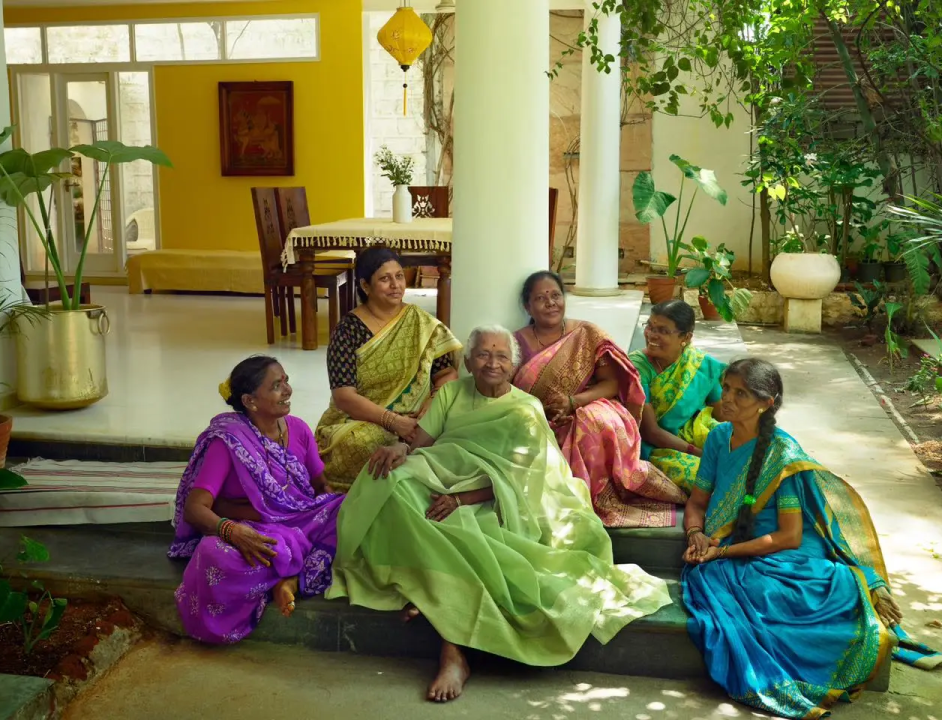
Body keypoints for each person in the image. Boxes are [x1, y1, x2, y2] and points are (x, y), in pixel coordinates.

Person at [327, 326, 672, 703]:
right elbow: (423, 442)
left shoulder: (526, 408)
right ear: (468, 361)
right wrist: (399, 449)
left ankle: (450, 646)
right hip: (445, 475)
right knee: (389, 483)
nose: (492, 363)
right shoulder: (453, 393)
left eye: (501, 356)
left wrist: (463, 499)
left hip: (496, 497)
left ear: (513, 365)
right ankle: (427, 588)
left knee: (460, 528)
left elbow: (525, 479)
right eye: (483, 354)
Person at [681, 358, 942, 718]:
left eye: (740, 393)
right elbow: (697, 503)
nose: (726, 398)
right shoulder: (717, 437)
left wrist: (722, 552)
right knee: (731, 592)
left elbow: (788, 537)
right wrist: (696, 533)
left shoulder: (783, 454)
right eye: (726, 388)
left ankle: (862, 589)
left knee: (779, 593)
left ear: (765, 403)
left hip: (778, 549)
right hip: (726, 544)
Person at [169, 356, 344, 645]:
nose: (287, 390)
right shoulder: (228, 441)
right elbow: (195, 508)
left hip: (299, 523)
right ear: (250, 401)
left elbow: (320, 487)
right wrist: (233, 531)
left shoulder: (299, 429)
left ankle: (287, 579)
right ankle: (290, 575)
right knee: (213, 554)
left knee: (350, 511)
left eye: (286, 381)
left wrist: (326, 512)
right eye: (276, 386)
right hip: (256, 532)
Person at [513, 271, 686, 527]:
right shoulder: (516, 342)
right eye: (540, 298)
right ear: (528, 306)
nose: (550, 303)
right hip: (540, 416)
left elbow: (612, 383)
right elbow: (511, 392)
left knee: (593, 422)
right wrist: (544, 411)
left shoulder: (586, 333)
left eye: (555, 295)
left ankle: (598, 496)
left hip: (588, 402)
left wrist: (574, 402)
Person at [316, 247, 462, 493]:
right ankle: (372, 493)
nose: (396, 285)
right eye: (385, 279)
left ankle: (418, 491)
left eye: (399, 276)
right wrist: (394, 422)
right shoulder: (348, 330)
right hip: (362, 418)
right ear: (365, 286)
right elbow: (344, 396)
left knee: (453, 432)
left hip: (417, 418)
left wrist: (431, 406)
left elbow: (446, 374)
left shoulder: (420, 321)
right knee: (359, 444)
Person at [629, 299, 726, 490]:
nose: (652, 335)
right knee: (706, 477)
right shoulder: (637, 367)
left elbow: (722, 413)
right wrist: (699, 454)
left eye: (663, 331)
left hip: (696, 432)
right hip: (659, 448)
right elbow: (650, 431)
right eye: (650, 327)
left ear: (686, 337)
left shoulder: (699, 364)